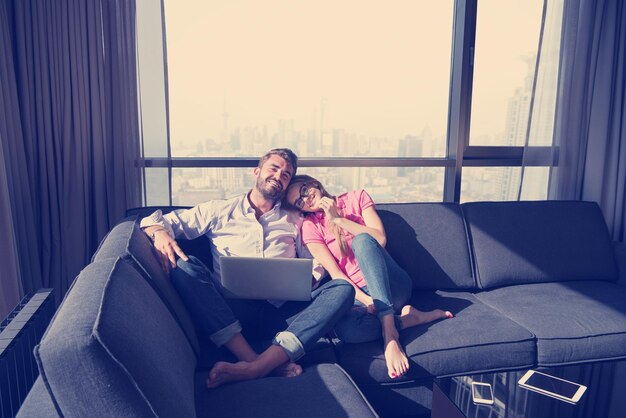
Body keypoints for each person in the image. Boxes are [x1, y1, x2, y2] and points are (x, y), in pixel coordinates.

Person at [140, 149, 355, 388]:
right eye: (274, 168)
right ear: (257, 172)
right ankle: (253, 360)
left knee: (343, 289)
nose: (278, 176)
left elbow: (315, 262)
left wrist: (310, 280)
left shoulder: (294, 219)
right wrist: (159, 233)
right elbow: (153, 220)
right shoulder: (219, 210)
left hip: (283, 314)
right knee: (184, 267)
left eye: (286, 175)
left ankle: (258, 367)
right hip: (231, 313)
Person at [284, 175, 452, 379]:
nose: (306, 199)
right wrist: (366, 300)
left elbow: (380, 238)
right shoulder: (310, 227)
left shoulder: (357, 197)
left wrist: (337, 218)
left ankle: (390, 336)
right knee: (346, 330)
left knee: (362, 241)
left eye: (304, 191)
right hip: (360, 294)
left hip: (393, 284)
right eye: (299, 202)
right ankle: (408, 320)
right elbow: (337, 276)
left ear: (313, 184)